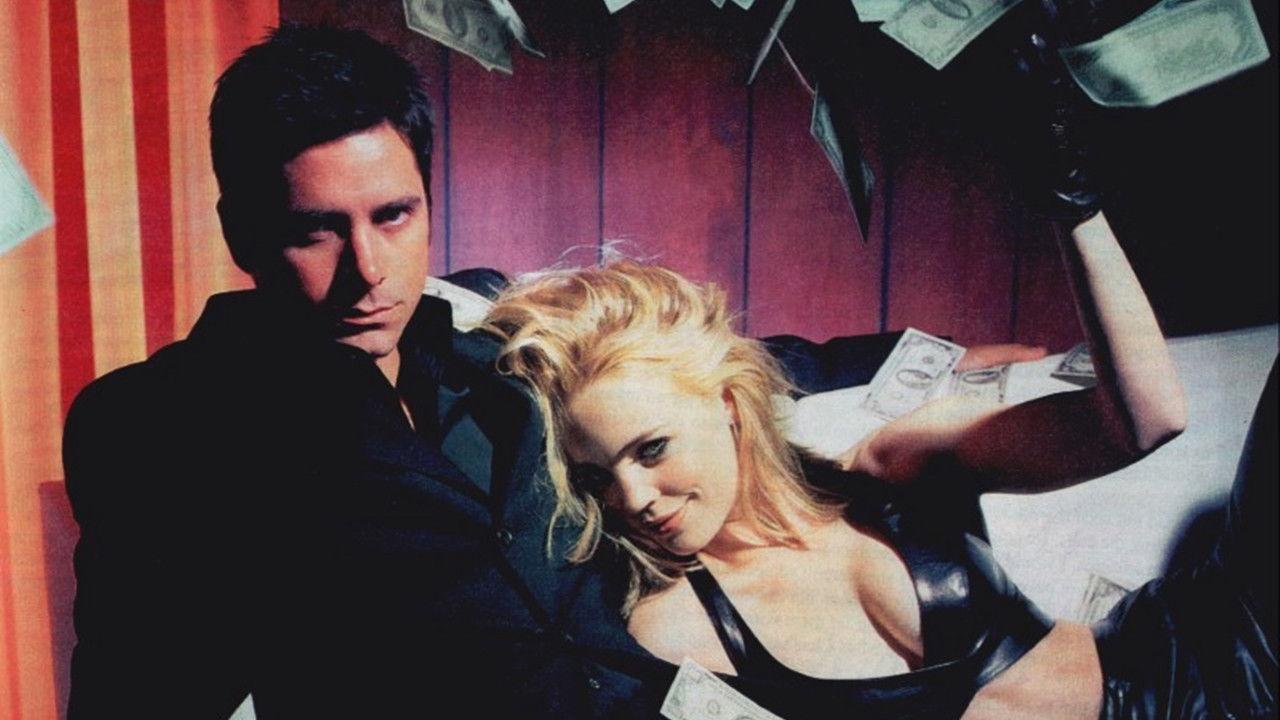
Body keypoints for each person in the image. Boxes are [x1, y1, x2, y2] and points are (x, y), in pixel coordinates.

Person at [62, 24, 1041, 718]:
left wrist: (936, 360)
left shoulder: (484, 332)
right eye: (315, 231)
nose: (368, 270)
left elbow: (686, 354)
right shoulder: (161, 427)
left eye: (394, 216)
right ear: (240, 232)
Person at [484, 212, 1277, 718]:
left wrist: (1076, 204)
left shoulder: (889, 467)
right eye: (597, 477)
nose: (633, 497)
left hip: (1224, 643)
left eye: (652, 449)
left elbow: (1144, 421)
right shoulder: (674, 631)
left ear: (726, 402)